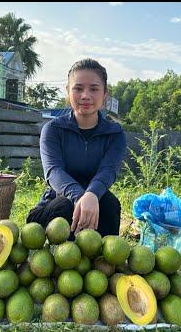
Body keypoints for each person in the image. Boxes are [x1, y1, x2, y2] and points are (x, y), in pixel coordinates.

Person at [27, 58, 126, 237]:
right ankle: (57, 260)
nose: (85, 95)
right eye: (78, 88)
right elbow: (53, 171)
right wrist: (80, 197)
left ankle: (103, 262)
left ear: (105, 94)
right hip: (56, 204)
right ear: (68, 91)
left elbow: (108, 171)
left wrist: (92, 195)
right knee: (65, 205)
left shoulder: (114, 133)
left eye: (94, 89)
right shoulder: (53, 129)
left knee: (110, 204)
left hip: (97, 202)